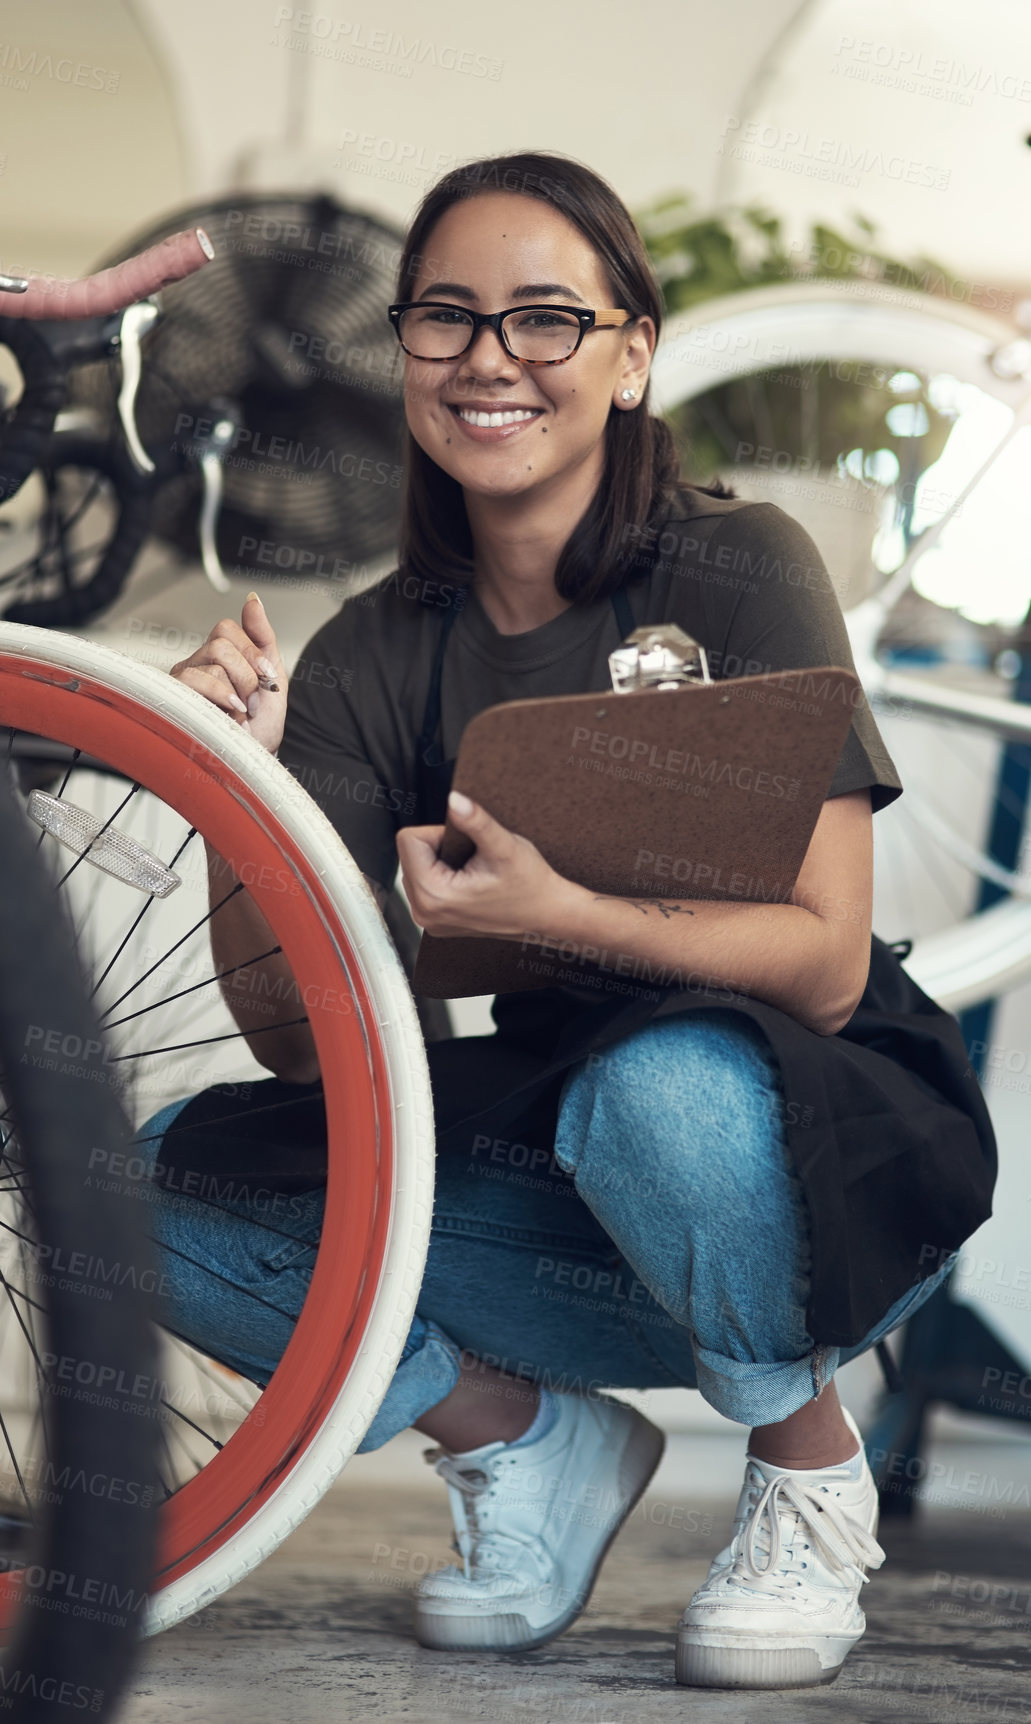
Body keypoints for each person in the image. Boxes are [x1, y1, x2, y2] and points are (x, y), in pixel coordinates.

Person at [155, 152, 995, 1689]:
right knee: (138, 1185)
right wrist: (242, 798)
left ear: (633, 352)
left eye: (547, 317)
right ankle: (529, 1445)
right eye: (449, 317)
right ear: (402, 344)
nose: (490, 358)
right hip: (569, 1169)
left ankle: (809, 1468)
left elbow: (818, 964)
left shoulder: (741, 569)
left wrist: (572, 914)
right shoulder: (364, 657)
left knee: (656, 1084)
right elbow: (299, 1044)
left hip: (822, 1164)